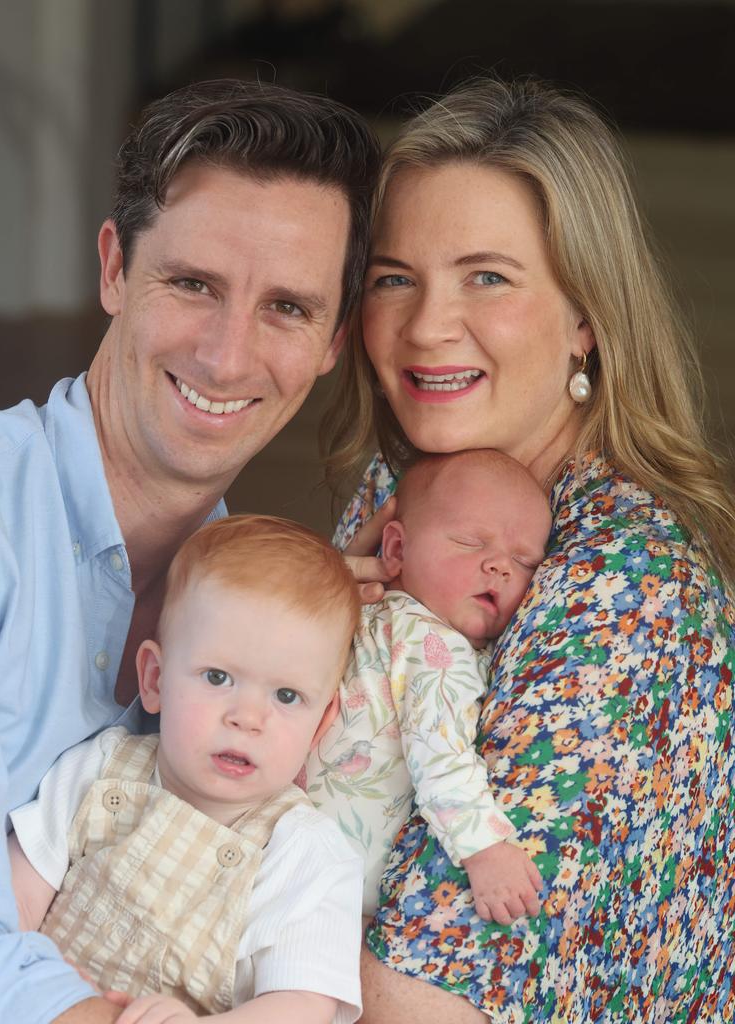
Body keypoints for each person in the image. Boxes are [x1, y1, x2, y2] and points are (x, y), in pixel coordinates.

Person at [0, 79, 379, 1024]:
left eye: (286, 307)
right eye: (193, 284)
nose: (228, 358)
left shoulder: (270, 630)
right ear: (114, 268)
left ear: (331, 342)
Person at [323, 78, 735, 1023]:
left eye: (487, 276)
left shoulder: (627, 587)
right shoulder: (406, 488)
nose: (426, 325)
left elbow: (412, 996)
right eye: (394, 277)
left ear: (587, 316)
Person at [8, 516, 363, 1024]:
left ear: (321, 722)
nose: (247, 717)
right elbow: (14, 894)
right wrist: (33, 978)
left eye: (287, 696)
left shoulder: (304, 852)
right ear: (154, 679)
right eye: (218, 677)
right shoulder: (99, 768)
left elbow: (302, 1006)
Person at [307, 449, 550, 924]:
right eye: (469, 541)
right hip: (335, 890)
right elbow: (439, 749)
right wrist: (483, 846)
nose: (500, 565)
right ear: (396, 550)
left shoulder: (354, 613)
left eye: (524, 561)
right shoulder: (435, 645)